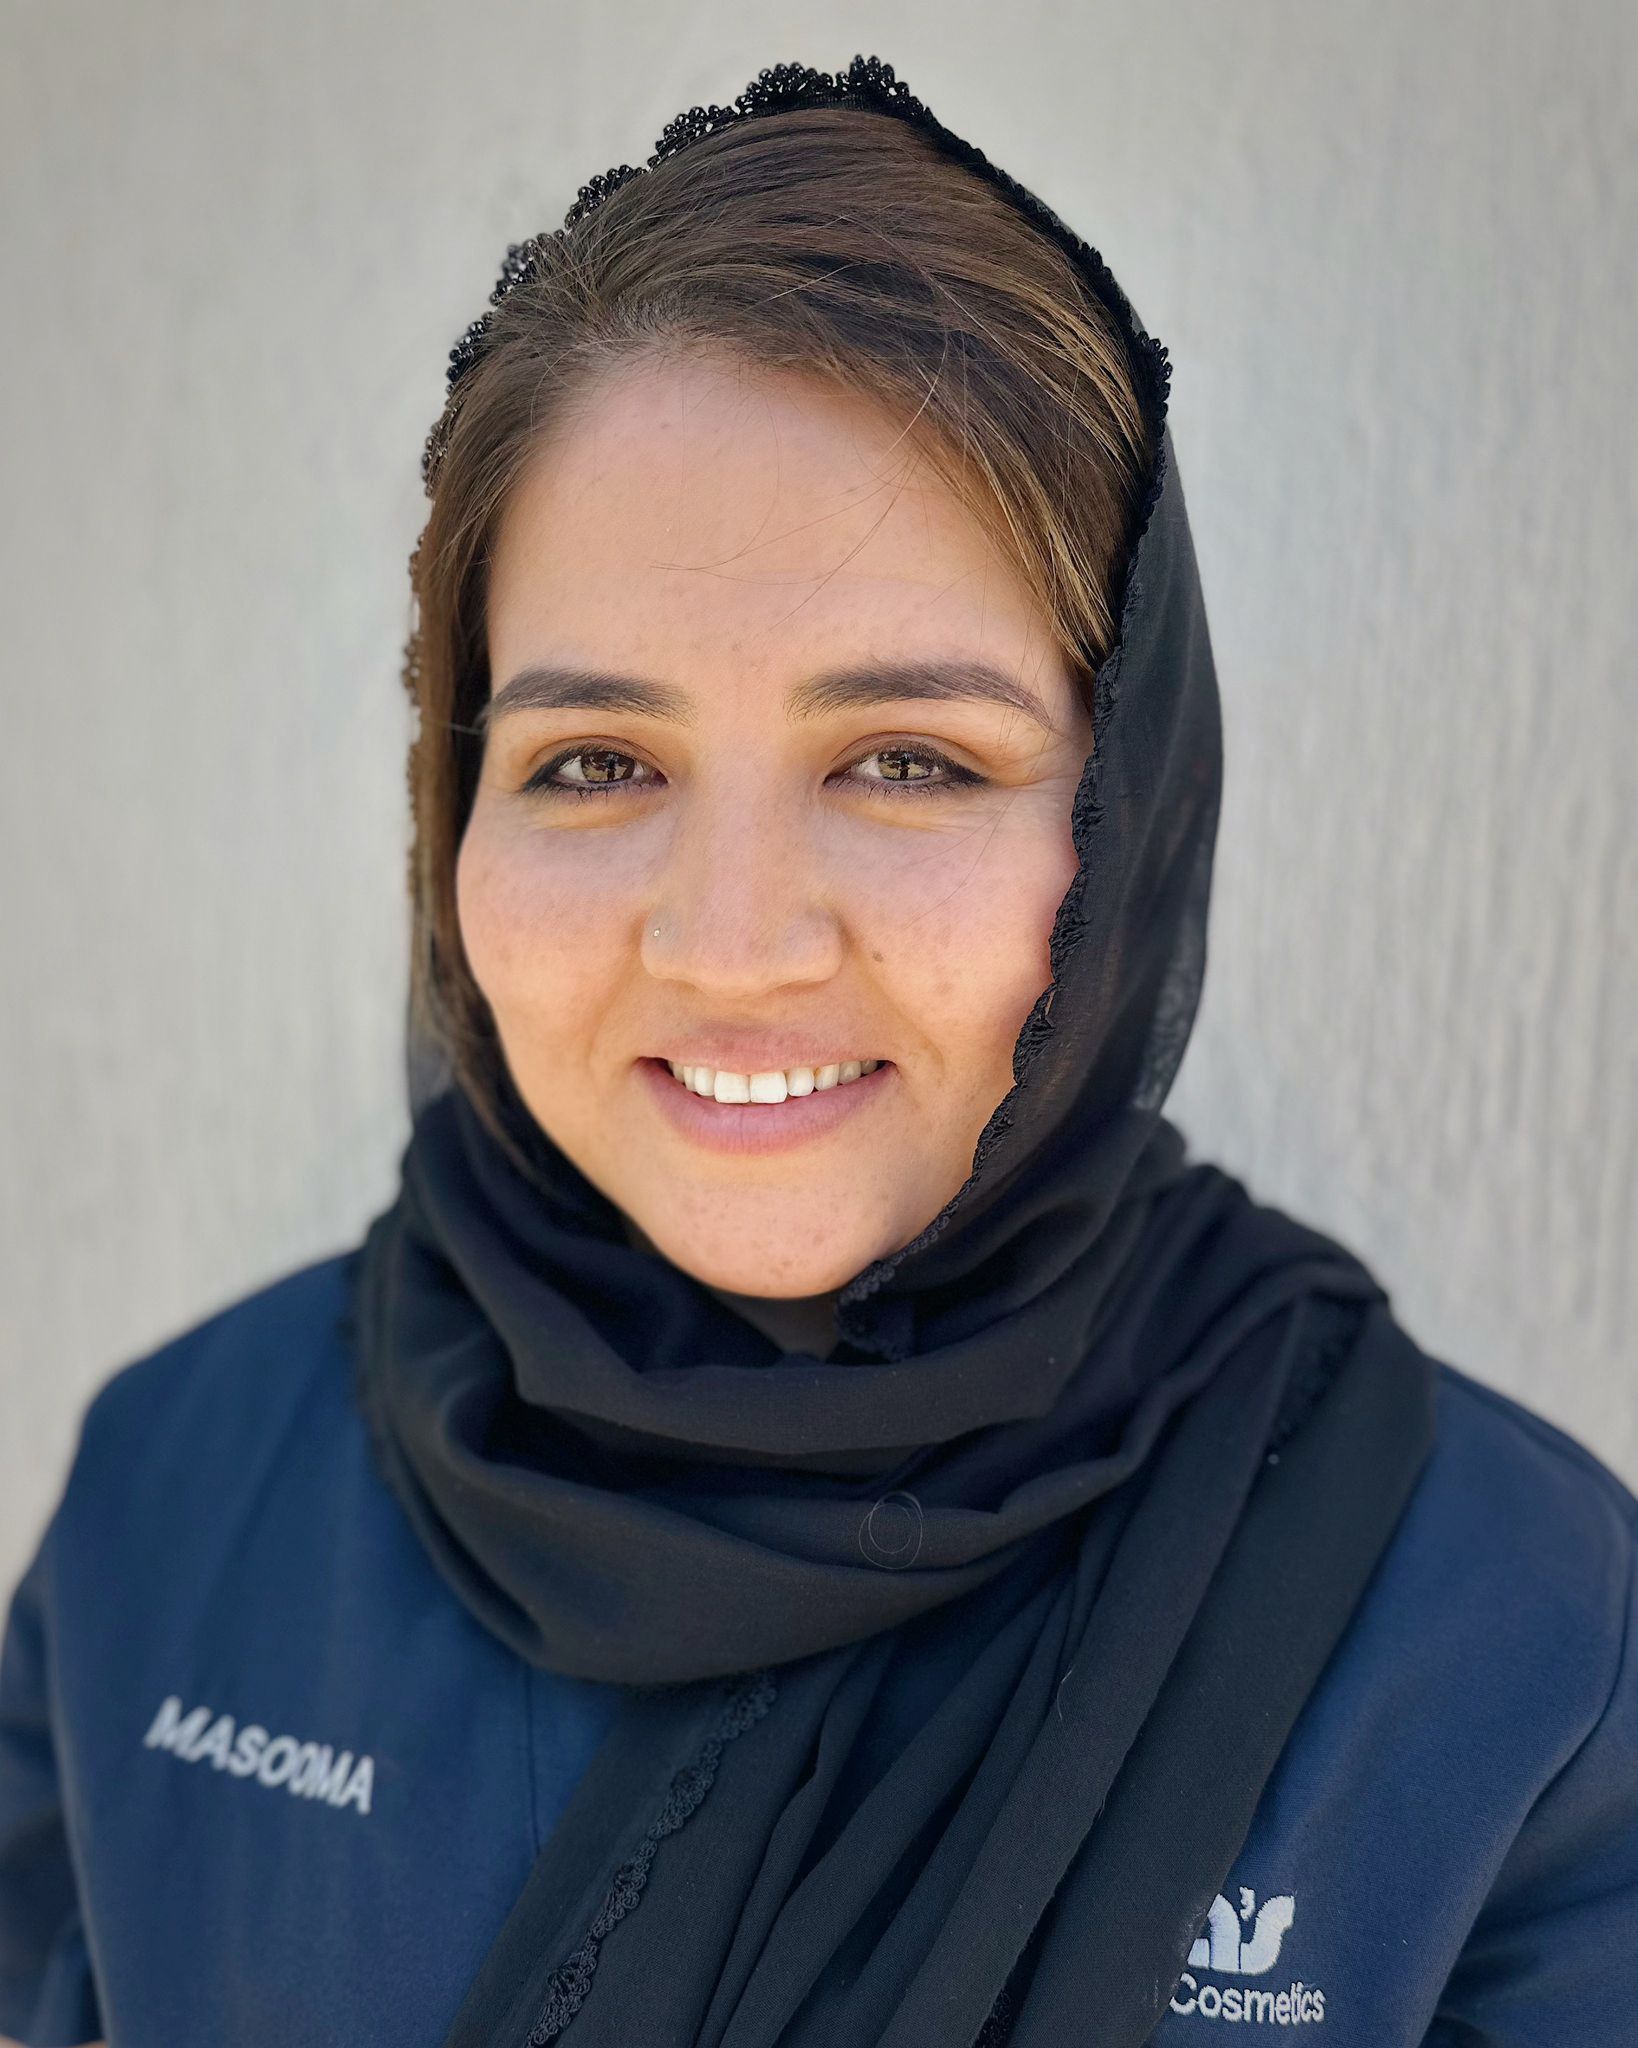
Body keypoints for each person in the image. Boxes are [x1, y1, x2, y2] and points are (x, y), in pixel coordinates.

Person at [1, 54, 1633, 2048]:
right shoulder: (174, 1504)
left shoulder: (1501, 1632)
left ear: (1133, 807)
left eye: (909, 759)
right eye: (596, 762)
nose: (737, 944)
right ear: (452, 817)